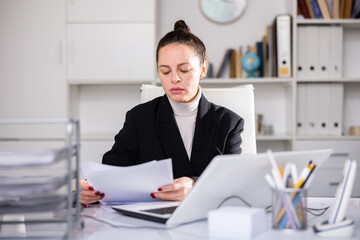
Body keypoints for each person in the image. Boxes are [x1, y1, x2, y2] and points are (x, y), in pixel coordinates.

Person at [79, 20, 244, 205]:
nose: (174, 78)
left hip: (208, 220)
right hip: (151, 222)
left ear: (203, 69)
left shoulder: (228, 123)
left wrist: (194, 185)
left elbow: (232, 182)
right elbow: (112, 173)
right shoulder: (139, 118)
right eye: (165, 71)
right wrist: (89, 190)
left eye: (184, 70)